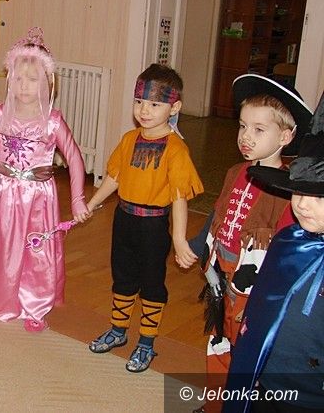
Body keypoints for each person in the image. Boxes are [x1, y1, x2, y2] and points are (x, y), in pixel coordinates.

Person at [182, 74, 313, 413]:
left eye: (258, 129)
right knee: (219, 339)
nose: (245, 137)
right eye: (242, 126)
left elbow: (286, 253)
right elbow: (217, 215)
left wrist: (263, 298)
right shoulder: (235, 172)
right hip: (221, 274)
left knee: (246, 349)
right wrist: (196, 246)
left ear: (285, 136)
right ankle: (216, 404)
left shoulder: (289, 191)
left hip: (253, 287)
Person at [0, 27, 90, 332]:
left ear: (47, 82)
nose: (24, 86)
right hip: (0, 192)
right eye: (18, 78)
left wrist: (78, 199)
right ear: (9, 80)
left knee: (35, 250)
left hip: (37, 198)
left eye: (33, 79)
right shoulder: (1, 115)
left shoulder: (53, 121)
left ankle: (34, 304)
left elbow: (75, 158)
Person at [85, 63, 204, 372]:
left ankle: (147, 343)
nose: (144, 110)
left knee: (152, 283)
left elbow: (179, 196)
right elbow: (115, 177)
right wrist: (93, 202)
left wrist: (179, 239)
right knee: (122, 276)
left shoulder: (176, 150)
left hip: (153, 226)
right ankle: (118, 331)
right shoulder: (129, 139)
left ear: (174, 107)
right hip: (123, 220)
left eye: (154, 104)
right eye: (139, 101)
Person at [223, 91, 324, 413]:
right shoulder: (289, 242)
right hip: (269, 380)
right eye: (298, 192)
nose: (303, 205)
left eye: (320, 198)